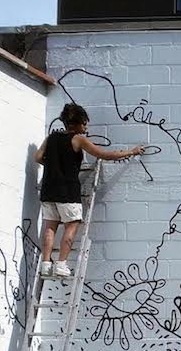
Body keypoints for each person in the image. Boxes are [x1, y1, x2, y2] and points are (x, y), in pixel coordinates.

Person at [34, 103, 144, 278]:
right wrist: (131, 151)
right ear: (76, 124)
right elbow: (104, 155)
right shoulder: (78, 139)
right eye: (84, 123)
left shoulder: (51, 138)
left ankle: (46, 264)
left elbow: (38, 157)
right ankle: (61, 264)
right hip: (67, 192)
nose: (86, 127)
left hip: (48, 190)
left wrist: (55, 167)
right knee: (72, 225)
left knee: (49, 227)